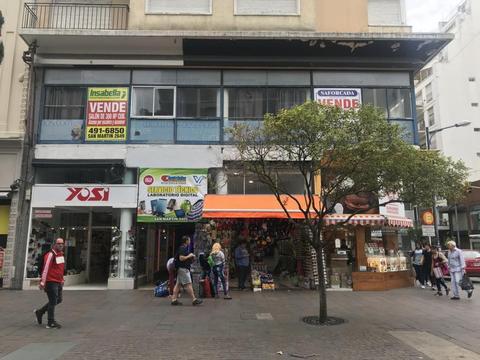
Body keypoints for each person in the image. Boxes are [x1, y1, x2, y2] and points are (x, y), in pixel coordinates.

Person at [34, 238, 65, 329]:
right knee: (53, 301)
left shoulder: (61, 254)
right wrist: (42, 282)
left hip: (58, 281)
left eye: (62, 243)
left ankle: (40, 312)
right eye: (58, 243)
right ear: (54, 244)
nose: (61, 245)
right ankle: (50, 322)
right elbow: (45, 268)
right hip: (50, 281)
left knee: (58, 299)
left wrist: (62, 279)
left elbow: (61, 269)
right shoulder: (50, 254)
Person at [171, 236, 202, 306]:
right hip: (183, 269)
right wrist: (189, 255)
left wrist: (190, 257)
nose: (190, 241)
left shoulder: (183, 248)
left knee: (178, 285)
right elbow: (181, 258)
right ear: (186, 241)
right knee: (188, 284)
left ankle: (174, 299)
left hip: (181, 269)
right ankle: (194, 299)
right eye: (189, 240)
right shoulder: (183, 248)